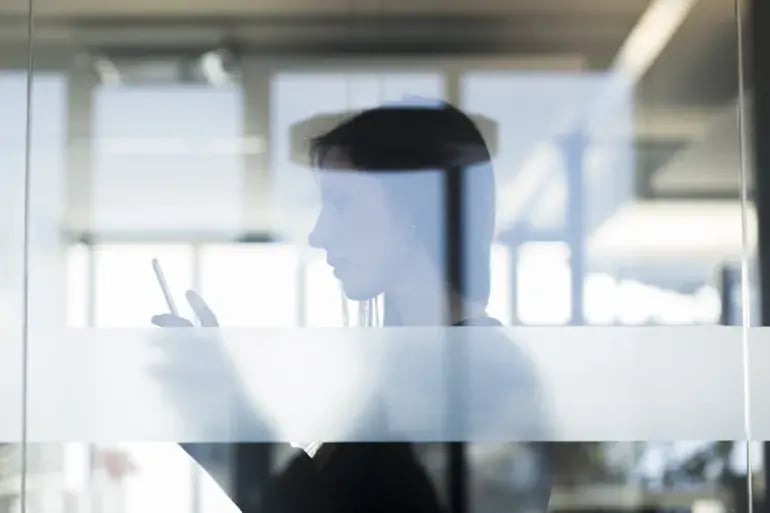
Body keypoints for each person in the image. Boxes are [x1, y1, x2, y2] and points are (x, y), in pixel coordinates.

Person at [152, 100, 551, 513]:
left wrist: (225, 411)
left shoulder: (480, 375)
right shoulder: (413, 371)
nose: (320, 234)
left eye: (340, 203)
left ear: (415, 204)